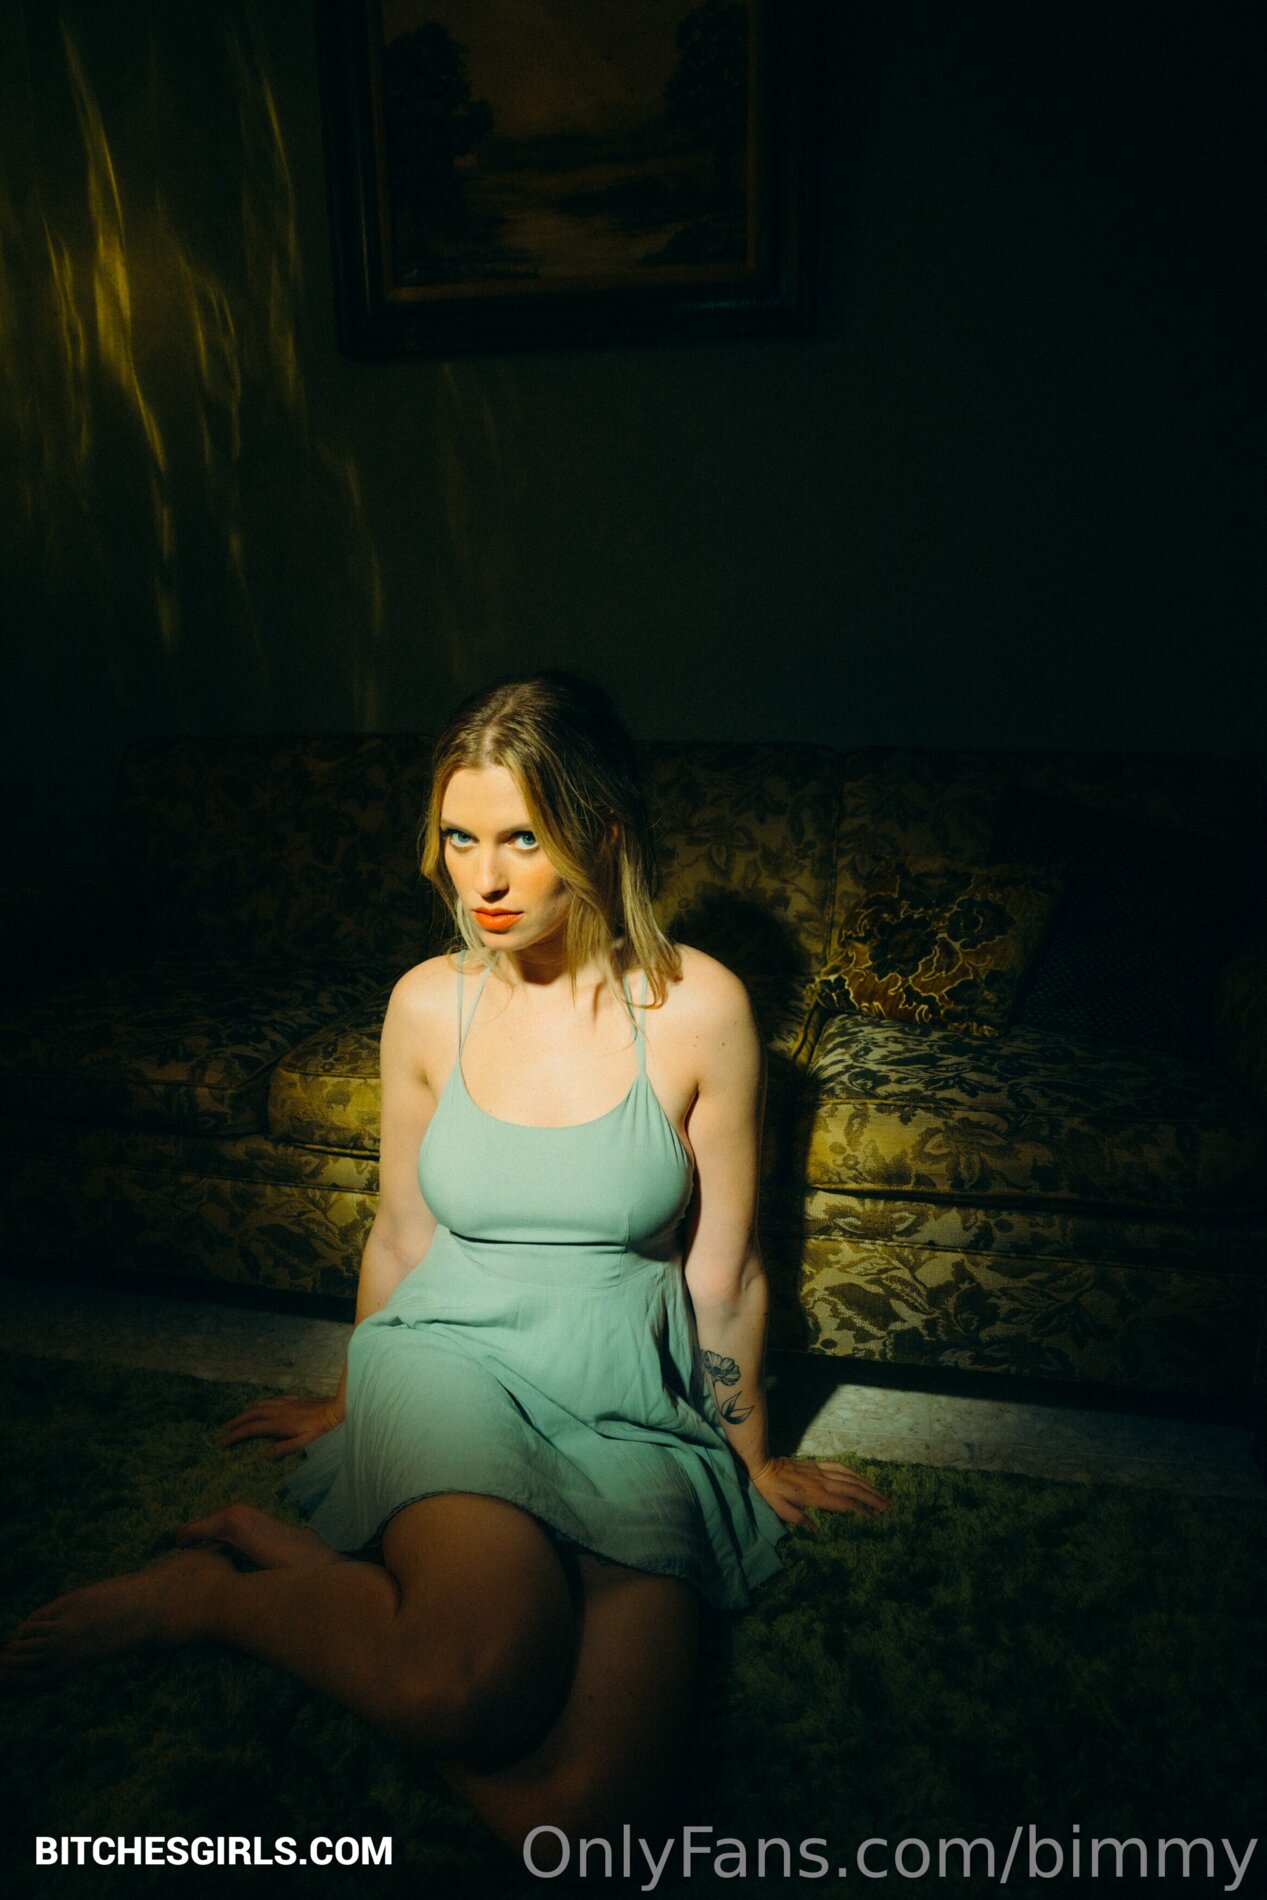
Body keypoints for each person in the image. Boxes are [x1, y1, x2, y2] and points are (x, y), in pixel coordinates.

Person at [2, 673, 888, 1853]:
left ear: (601, 834)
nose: (485, 879)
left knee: (588, 1825)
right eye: (461, 839)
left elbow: (724, 1270)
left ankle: (316, 1572)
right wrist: (353, 1400)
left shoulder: (699, 1007)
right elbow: (401, 1233)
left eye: (521, 837)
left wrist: (746, 1454)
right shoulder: (427, 1003)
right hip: (450, 1359)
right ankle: (208, 1598)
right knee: (461, 1686)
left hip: (629, 1394)